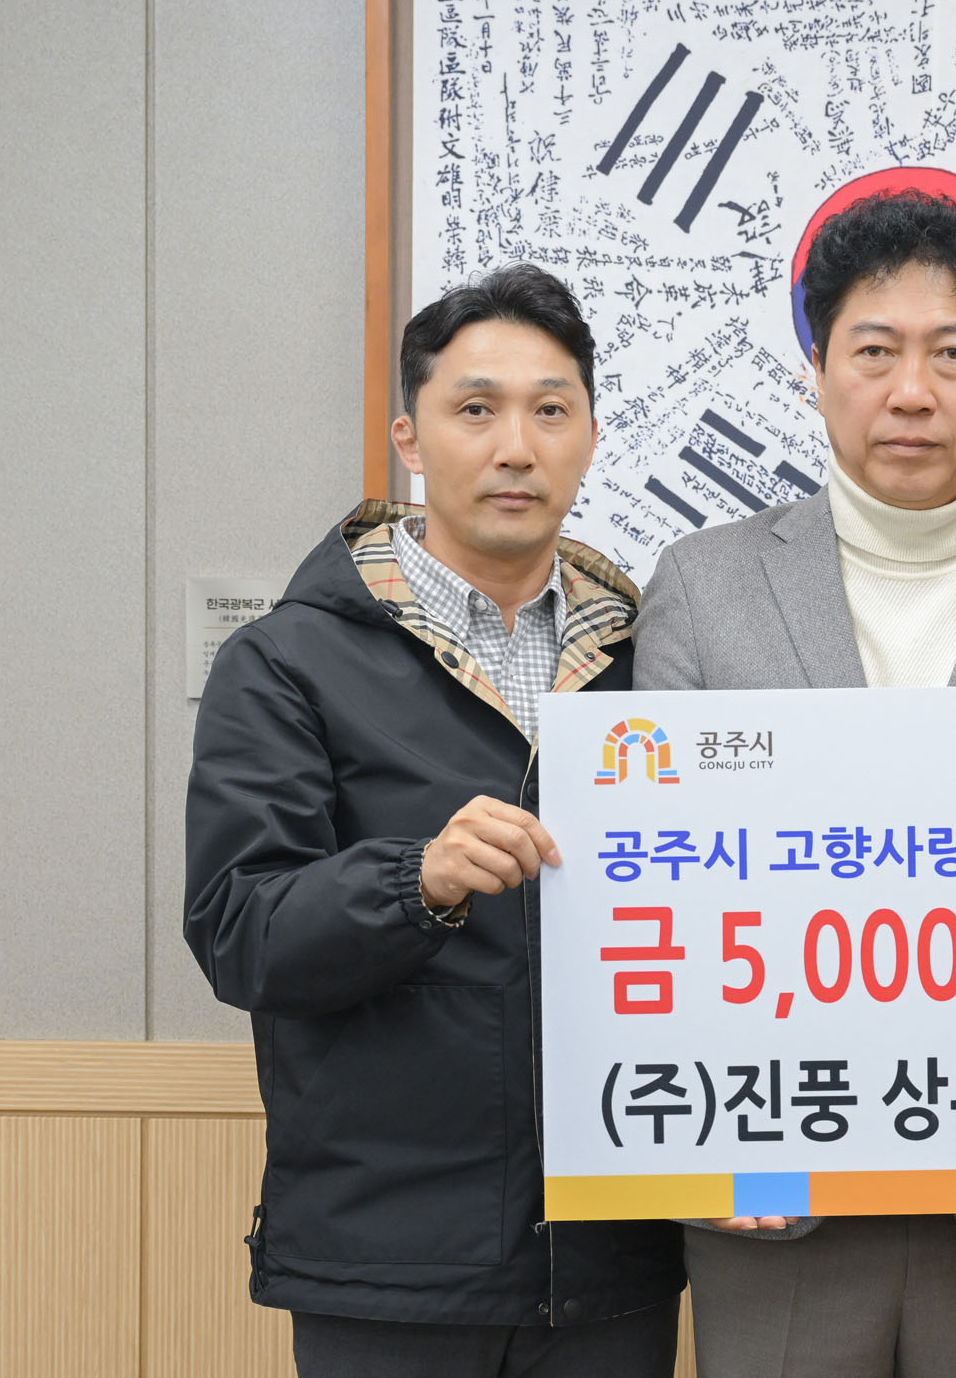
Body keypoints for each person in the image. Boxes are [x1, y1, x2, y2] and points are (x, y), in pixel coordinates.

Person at [633, 189, 956, 1378]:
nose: (912, 391)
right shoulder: (702, 586)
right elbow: (654, 886)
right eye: (874, 351)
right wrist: (711, 1144)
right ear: (817, 370)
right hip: (769, 1181)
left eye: (952, 353)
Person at [184, 265, 683, 1378]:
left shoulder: (652, 664)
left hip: (614, 1262)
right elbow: (238, 930)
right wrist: (416, 880)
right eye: (476, 409)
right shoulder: (287, 661)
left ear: (590, 435)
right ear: (408, 437)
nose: (517, 447)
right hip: (388, 1265)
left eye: (550, 410)